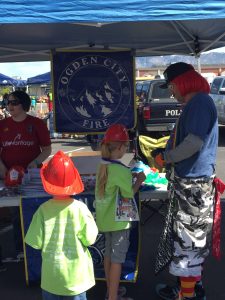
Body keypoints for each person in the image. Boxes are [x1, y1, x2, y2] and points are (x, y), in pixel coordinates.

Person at [152, 62, 218, 300]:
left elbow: (193, 143)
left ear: (181, 82)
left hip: (193, 186)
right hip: (191, 184)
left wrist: (166, 157)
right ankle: (189, 290)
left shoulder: (199, 102)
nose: (170, 91)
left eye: (171, 86)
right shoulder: (196, 103)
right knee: (190, 242)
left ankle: (187, 295)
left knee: (188, 244)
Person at [25, 150, 98, 300]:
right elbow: (90, 239)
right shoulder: (81, 209)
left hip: (51, 278)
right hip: (76, 279)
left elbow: (35, 242)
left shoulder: (42, 210)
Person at [95, 124, 146, 300]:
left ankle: (111, 291)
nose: (127, 149)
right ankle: (113, 297)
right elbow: (129, 193)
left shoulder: (103, 165)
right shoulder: (120, 169)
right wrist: (139, 179)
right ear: (120, 147)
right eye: (126, 146)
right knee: (117, 260)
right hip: (119, 222)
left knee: (109, 256)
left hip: (105, 220)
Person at [0, 90, 52, 258]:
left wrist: (34, 163)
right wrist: (3, 171)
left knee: (35, 210)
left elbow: (47, 149)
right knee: (16, 213)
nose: (9, 106)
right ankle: (20, 250)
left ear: (24, 104)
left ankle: (37, 248)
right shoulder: (2, 125)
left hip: (33, 176)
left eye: (14, 102)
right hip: (9, 176)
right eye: (7, 102)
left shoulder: (37, 123)